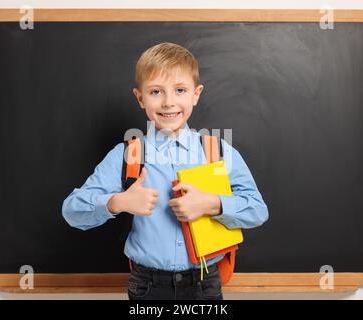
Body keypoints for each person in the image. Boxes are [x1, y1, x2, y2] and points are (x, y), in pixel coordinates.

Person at [62, 42, 269, 300]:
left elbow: (257, 210)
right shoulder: (127, 156)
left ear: (196, 94)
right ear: (140, 98)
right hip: (147, 285)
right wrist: (117, 202)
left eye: (180, 90)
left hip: (205, 283)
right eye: (156, 92)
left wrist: (212, 204)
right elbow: (72, 211)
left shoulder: (219, 152)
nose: (169, 102)